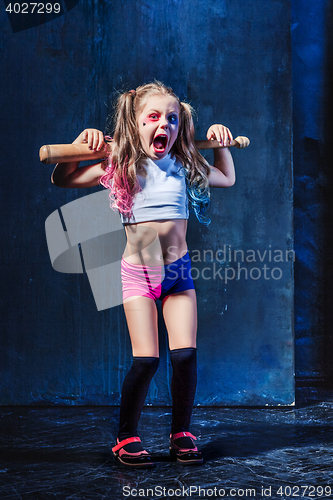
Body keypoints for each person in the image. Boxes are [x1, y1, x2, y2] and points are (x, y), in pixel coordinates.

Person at [51, 81, 236, 467]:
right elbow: (63, 178)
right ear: (134, 125)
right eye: (153, 117)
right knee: (147, 360)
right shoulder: (119, 164)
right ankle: (126, 436)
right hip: (140, 277)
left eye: (172, 118)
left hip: (178, 276)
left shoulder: (185, 163)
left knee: (184, 356)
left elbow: (226, 177)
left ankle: (182, 432)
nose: (164, 125)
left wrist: (220, 142)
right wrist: (78, 146)